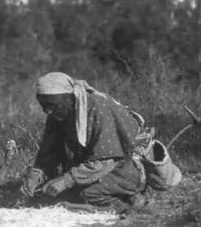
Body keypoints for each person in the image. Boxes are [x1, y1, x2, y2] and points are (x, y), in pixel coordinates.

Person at [18, 71, 153, 211]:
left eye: (51, 105)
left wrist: (66, 180)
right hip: (89, 167)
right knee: (50, 192)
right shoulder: (58, 114)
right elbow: (50, 155)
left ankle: (129, 200)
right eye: (43, 106)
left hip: (124, 167)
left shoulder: (98, 109)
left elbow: (106, 161)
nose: (48, 111)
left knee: (85, 193)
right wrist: (36, 176)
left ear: (68, 98)